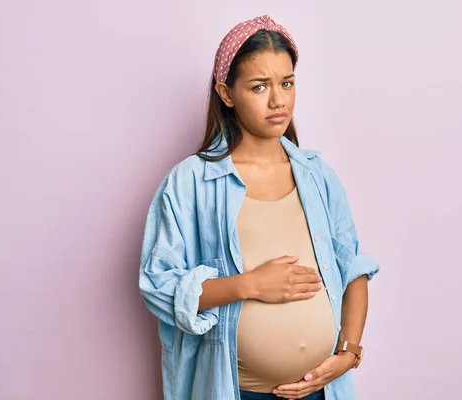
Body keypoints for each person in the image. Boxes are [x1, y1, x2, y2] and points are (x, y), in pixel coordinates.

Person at [139, 15, 379, 400]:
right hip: (235, 390)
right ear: (227, 93)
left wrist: (348, 353)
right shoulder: (190, 183)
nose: (278, 100)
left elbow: (353, 269)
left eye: (286, 83)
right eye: (259, 86)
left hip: (322, 388)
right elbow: (158, 286)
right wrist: (250, 285)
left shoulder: (318, 176)